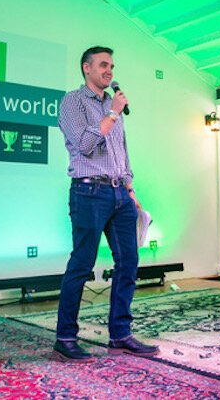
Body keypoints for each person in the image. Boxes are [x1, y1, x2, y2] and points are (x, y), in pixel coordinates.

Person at [53, 46, 159, 362]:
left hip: (119, 193)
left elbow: (122, 152)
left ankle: (120, 335)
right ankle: (65, 338)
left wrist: (131, 189)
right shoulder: (73, 101)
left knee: (129, 261)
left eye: (111, 65)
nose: (109, 71)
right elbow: (84, 144)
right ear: (86, 68)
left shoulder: (113, 106)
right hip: (89, 192)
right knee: (82, 263)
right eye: (103, 65)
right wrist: (112, 113)